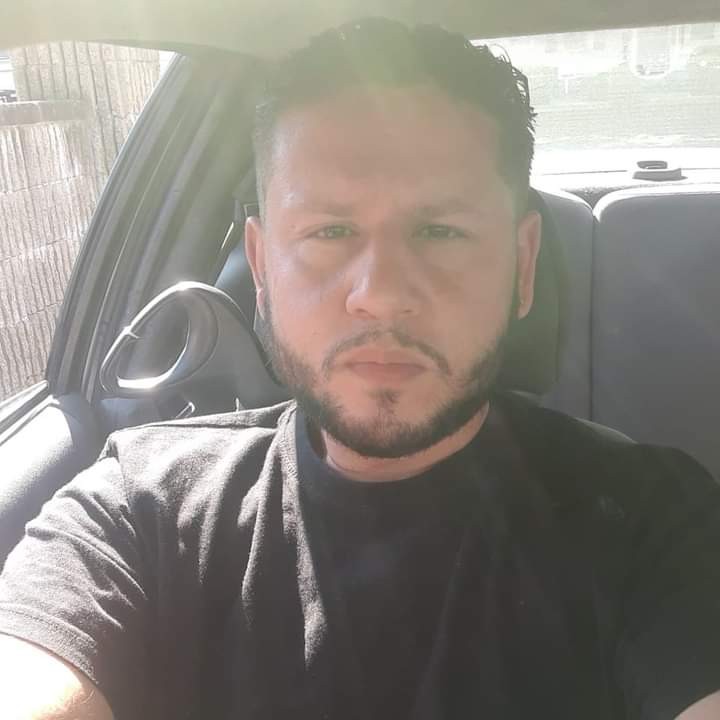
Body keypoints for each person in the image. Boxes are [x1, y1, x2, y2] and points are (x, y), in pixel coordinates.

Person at [1, 17, 719, 720]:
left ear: (522, 266)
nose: (380, 295)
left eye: (441, 231)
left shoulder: (652, 523)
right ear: (261, 268)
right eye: (330, 231)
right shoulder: (139, 508)